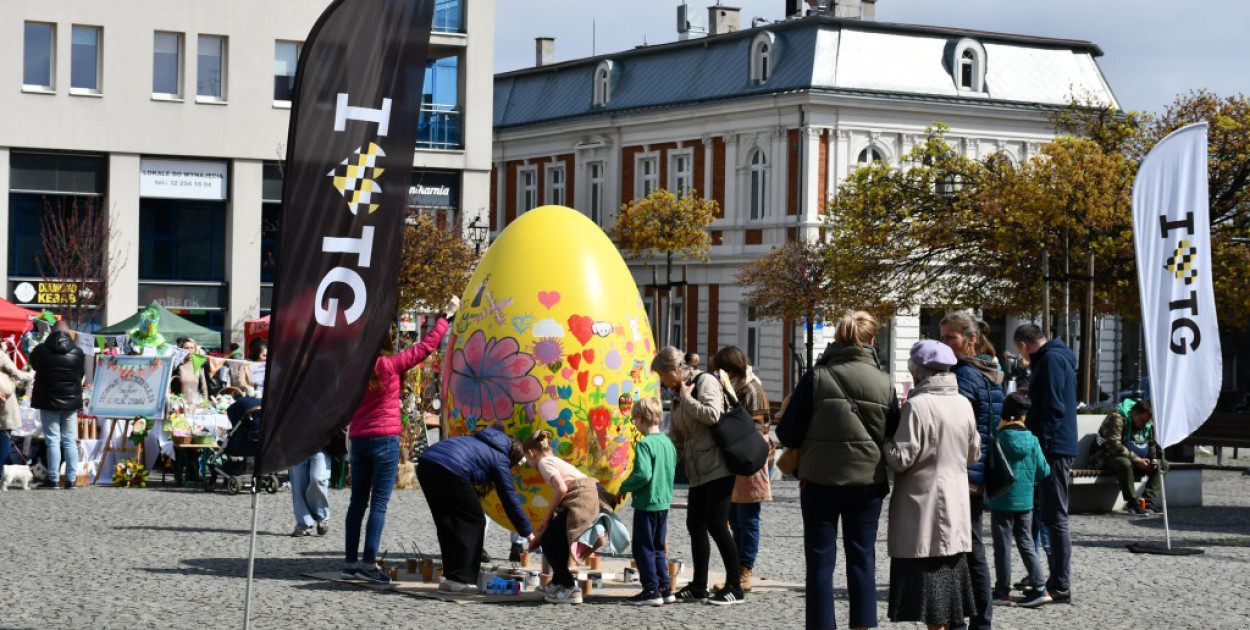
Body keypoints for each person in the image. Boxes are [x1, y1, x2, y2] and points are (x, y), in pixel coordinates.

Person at [778, 310, 901, 630]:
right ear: (873, 341)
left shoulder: (816, 377)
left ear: (837, 338)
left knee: (820, 560)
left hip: (819, 481)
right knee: (863, 559)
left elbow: (788, 434)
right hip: (867, 483)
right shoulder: (886, 383)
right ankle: (862, 626)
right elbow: (894, 433)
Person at [342, 296, 458, 584]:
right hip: (384, 441)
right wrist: (447, 315)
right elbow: (427, 346)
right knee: (378, 505)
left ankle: (350, 562)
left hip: (358, 439)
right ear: (385, 343)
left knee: (357, 504)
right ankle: (369, 564)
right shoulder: (392, 365)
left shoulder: (353, 369)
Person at [884, 340, 980, 630]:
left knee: (929, 590)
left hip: (921, 506)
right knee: (949, 590)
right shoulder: (963, 403)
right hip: (956, 501)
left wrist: (885, 442)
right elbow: (973, 454)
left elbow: (902, 458)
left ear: (918, 372)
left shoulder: (917, 405)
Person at [653, 346, 743, 605]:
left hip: (717, 467)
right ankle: (699, 586)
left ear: (673, 371)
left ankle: (735, 586)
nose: (661, 382)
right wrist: (665, 462)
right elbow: (679, 436)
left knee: (717, 524)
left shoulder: (704, 382)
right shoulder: (679, 393)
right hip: (697, 470)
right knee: (695, 525)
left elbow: (713, 415)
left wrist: (688, 399)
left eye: (662, 375)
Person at [939, 313, 1003, 630]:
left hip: (962, 473)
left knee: (962, 553)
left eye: (951, 337)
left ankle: (967, 622)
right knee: (972, 549)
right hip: (976, 473)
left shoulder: (965, 374)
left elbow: (954, 425)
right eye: (943, 337)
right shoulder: (989, 371)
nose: (944, 343)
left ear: (971, 339)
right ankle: (979, 622)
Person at [418, 426, 534, 593]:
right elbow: (510, 499)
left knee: (447, 521)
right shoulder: (500, 458)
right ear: (514, 457)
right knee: (475, 521)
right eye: (516, 466)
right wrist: (528, 533)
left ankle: (449, 578)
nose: (515, 470)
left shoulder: (482, 442)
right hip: (450, 468)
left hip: (426, 463)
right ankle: (460, 579)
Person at [1012, 323, 1077, 607]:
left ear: (1024, 346)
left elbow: (1053, 406)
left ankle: (1060, 584)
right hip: (1058, 445)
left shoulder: (1050, 360)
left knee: (1055, 517)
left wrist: (1040, 447)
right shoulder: (1058, 356)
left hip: (1053, 448)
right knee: (1050, 515)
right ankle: (1053, 581)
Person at [710, 345, 772, 593]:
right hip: (736, 459)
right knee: (734, 519)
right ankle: (734, 573)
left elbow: (754, 430)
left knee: (747, 520)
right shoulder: (736, 386)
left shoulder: (751, 389)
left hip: (749, 459)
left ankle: (744, 572)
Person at [986, 392, 1050, 604]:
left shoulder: (999, 438)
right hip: (1026, 501)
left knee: (1002, 545)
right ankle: (1040, 587)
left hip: (1001, 499)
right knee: (1026, 542)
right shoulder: (1032, 440)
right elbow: (1043, 471)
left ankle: (1002, 591)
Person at [523, 430, 599, 605]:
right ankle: (557, 583)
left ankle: (569, 587)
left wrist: (547, 517)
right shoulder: (554, 460)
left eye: (527, 460)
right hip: (587, 498)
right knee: (559, 540)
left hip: (581, 500)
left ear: (531, 453)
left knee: (549, 541)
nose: (528, 464)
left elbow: (561, 489)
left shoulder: (544, 462)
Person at [618, 396, 678, 606]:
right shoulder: (667, 443)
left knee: (643, 548)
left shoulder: (644, 444)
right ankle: (665, 588)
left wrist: (624, 487)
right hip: (663, 503)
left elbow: (643, 475)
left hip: (647, 503)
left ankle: (650, 590)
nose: (634, 423)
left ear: (641, 418)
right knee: (659, 547)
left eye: (634, 419)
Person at [30, 320, 86, 489]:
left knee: (52, 441)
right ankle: (71, 480)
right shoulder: (78, 352)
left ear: (52, 331)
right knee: (69, 441)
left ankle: (53, 479)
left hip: (48, 401)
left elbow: (34, 364)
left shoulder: (41, 350)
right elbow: (81, 373)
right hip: (71, 402)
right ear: (69, 332)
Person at [1088, 398, 1166, 516]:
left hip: (1135, 458)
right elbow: (1113, 445)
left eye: (1147, 422)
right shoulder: (1117, 418)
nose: (1144, 424)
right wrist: (1138, 460)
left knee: (1163, 464)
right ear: (1134, 413)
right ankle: (1133, 503)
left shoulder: (1147, 422)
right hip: (1106, 456)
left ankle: (1148, 501)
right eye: (1142, 421)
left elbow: (1152, 444)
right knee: (1124, 463)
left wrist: (1153, 459)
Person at [0, 341, 34, 468]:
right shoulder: (1, 355)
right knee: (4, 435)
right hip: (3, 402)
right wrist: (30, 375)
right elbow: (17, 373)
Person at [290, 444, 332, 537]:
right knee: (299, 484)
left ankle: (322, 516)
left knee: (318, 478)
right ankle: (303, 524)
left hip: (321, 444)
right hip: (297, 443)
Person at [171, 337, 209, 405]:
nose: (189, 350)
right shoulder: (177, 366)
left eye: (192, 348)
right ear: (181, 350)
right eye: (186, 348)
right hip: (179, 406)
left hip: (196, 406)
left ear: (195, 349)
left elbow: (204, 388)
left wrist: (205, 404)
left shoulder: (198, 365)